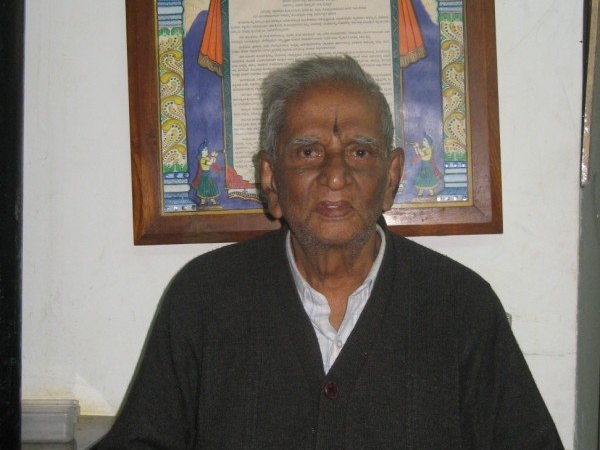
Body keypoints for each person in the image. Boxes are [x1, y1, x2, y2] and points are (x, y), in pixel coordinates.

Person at [93, 55, 564, 449]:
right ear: (270, 179)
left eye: (360, 152)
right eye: (307, 152)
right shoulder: (204, 298)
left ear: (392, 177)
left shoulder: (461, 306)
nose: (335, 175)